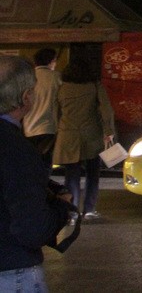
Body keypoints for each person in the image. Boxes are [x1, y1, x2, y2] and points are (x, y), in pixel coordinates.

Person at [0, 56, 73, 292]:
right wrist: (62, 208)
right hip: (11, 270)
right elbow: (33, 229)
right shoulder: (16, 149)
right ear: (24, 97)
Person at [52, 55, 115, 221]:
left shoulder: (62, 88)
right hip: (91, 135)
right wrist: (109, 130)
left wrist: (59, 129)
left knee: (71, 175)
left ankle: (72, 212)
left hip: (68, 135)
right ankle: (89, 210)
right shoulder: (94, 86)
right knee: (93, 174)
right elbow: (106, 110)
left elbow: (55, 112)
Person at [22, 48, 61, 169]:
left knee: (29, 161)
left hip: (27, 127)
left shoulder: (27, 77)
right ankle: (42, 185)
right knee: (44, 162)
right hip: (48, 127)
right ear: (51, 61)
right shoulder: (56, 77)